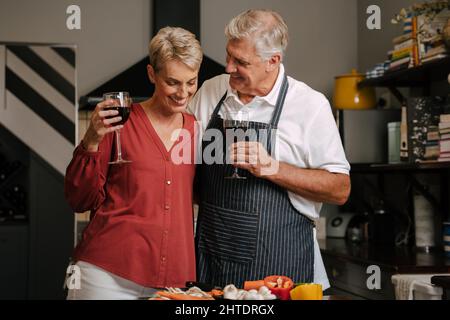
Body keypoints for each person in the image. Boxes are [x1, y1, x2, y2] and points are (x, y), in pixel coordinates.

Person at [189, 9, 351, 289]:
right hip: (213, 263)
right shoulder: (211, 91)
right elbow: (181, 162)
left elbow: (340, 189)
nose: (228, 67)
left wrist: (272, 168)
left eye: (240, 62)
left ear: (272, 61)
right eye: (228, 55)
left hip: (279, 269)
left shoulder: (310, 106)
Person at [64, 26, 203, 299]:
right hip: (106, 274)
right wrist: (91, 140)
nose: (183, 93)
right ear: (152, 74)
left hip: (172, 281)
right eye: (173, 82)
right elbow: (79, 199)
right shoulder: (118, 122)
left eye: (191, 82)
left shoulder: (196, 130)